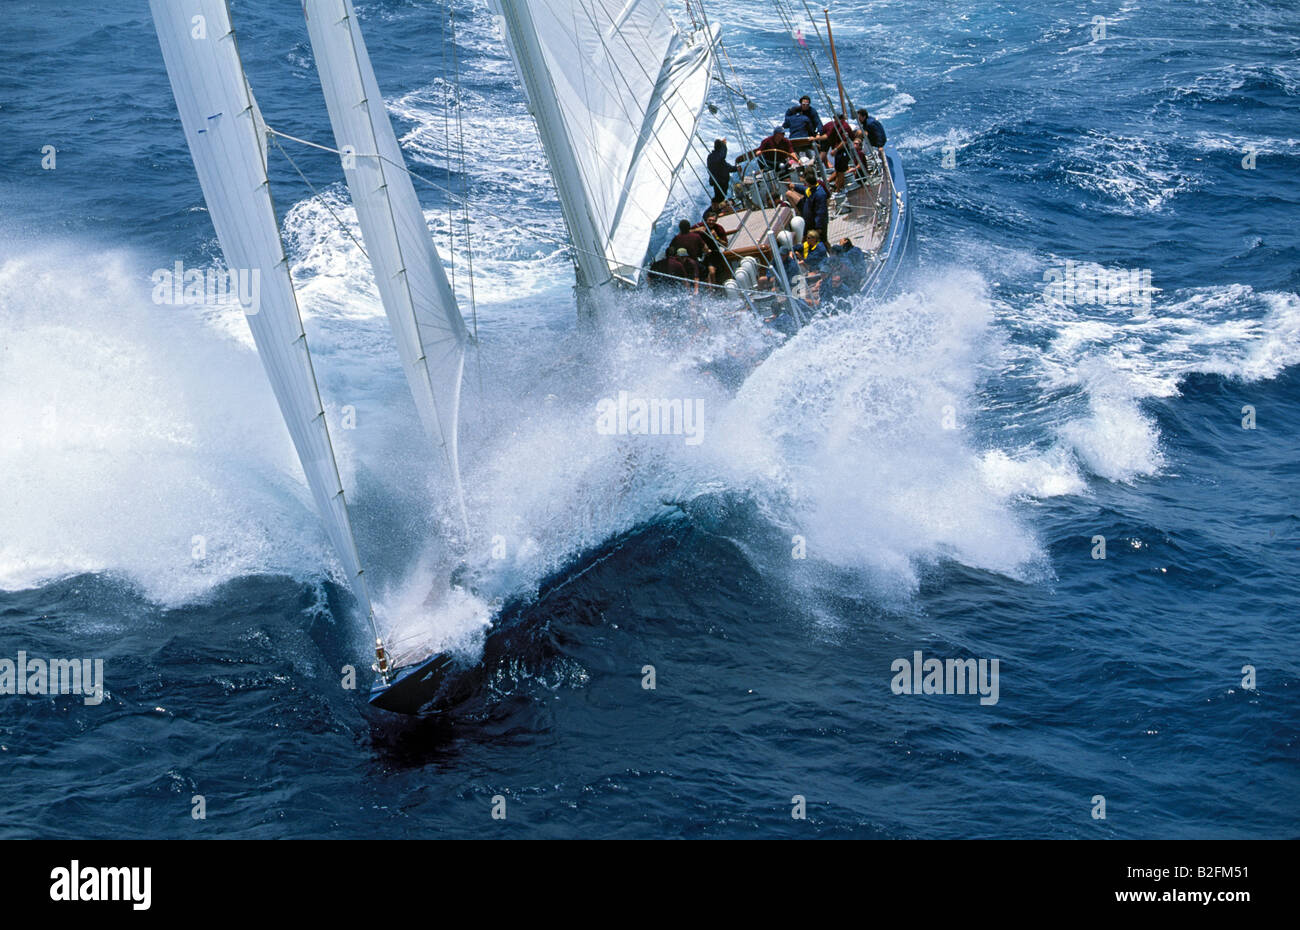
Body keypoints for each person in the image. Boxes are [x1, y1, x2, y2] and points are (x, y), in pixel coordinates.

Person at [820, 113, 855, 190]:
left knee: (841, 171)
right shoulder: (836, 126)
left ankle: (839, 189)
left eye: (835, 118)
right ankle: (837, 185)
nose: (834, 120)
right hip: (838, 152)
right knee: (838, 170)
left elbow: (844, 141)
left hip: (843, 151)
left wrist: (835, 150)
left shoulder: (844, 127)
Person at [797, 169, 829, 245]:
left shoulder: (820, 194)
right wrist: (795, 186)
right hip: (810, 222)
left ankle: (834, 256)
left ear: (808, 183)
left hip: (818, 224)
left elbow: (821, 212)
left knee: (823, 242)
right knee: (805, 239)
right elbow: (804, 190)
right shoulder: (811, 190)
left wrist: (818, 227)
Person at [706, 138, 740, 206]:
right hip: (721, 181)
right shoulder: (718, 158)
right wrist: (736, 168)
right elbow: (723, 157)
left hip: (717, 181)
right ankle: (716, 208)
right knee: (720, 197)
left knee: (719, 197)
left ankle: (716, 207)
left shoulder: (711, 156)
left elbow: (725, 165)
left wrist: (735, 168)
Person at [856, 107, 888, 172]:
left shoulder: (870, 123)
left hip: (876, 142)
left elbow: (878, 134)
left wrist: (880, 146)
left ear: (864, 116)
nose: (858, 119)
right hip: (871, 137)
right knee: (858, 133)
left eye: (859, 117)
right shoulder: (866, 121)